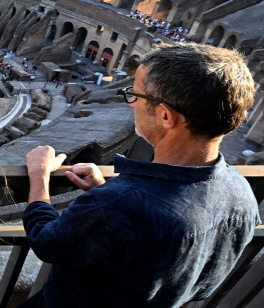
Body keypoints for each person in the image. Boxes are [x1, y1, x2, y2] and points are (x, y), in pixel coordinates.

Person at [22, 43, 260, 308]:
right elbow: (202, 283)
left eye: (136, 95)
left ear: (165, 115)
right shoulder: (242, 195)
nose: (132, 102)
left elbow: (46, 242)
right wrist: (105, 192)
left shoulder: (116, 206)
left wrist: (39, 175)